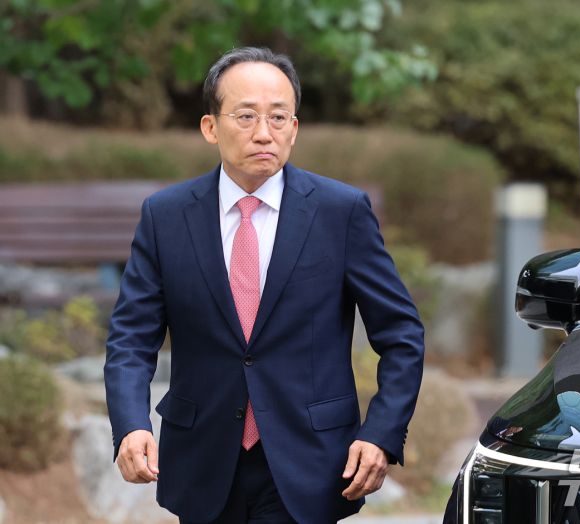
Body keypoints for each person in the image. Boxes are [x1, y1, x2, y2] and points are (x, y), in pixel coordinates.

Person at [104, 46, 425, 524]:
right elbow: (131, 338)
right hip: (202, 459)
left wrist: (381, 433)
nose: (263, 133)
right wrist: (131, 424)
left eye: (278, 117)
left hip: (312, 461)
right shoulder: (166, 216)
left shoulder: (340, 212)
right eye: (246, 116)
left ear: (294, 129)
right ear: (210, 127)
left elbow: (401, 335)